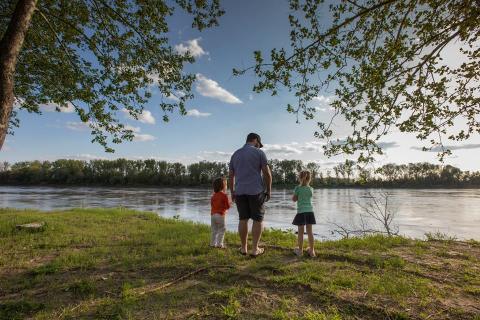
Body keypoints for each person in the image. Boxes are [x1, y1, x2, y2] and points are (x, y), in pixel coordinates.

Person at [229, 133, 272, 257]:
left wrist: (232, 192)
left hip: (240, 192)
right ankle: (255, 249)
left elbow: (231, 176)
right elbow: (267, 174)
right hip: (256, 191)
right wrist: (268, 190)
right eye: (259, 144)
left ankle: (243, 248)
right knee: (258, 220)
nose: (259, 147)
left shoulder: (235, 154)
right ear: (256, 140)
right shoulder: (259, 153)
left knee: (243, 219)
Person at [292, 170, 316, 257]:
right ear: (309, 179)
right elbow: (308, 196)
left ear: (299, 178)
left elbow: (294, 199)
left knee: (300, 232)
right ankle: (312, 251)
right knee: (310, 232)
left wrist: (296, 195)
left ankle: (300, 251)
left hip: (301, 212)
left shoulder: (298, 188)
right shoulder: (311, 189)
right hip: (310, 211)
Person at [210, 177, 230, 248]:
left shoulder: (213, 196)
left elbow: (212, 205)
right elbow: (227, 206)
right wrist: (229, 202)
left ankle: (212, 244)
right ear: (223, 186)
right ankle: (219, 244)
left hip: (213, 215)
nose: (226, 186)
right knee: (222, 229)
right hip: (220, 215)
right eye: (226, 185)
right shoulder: (224, 196)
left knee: (214, 230)